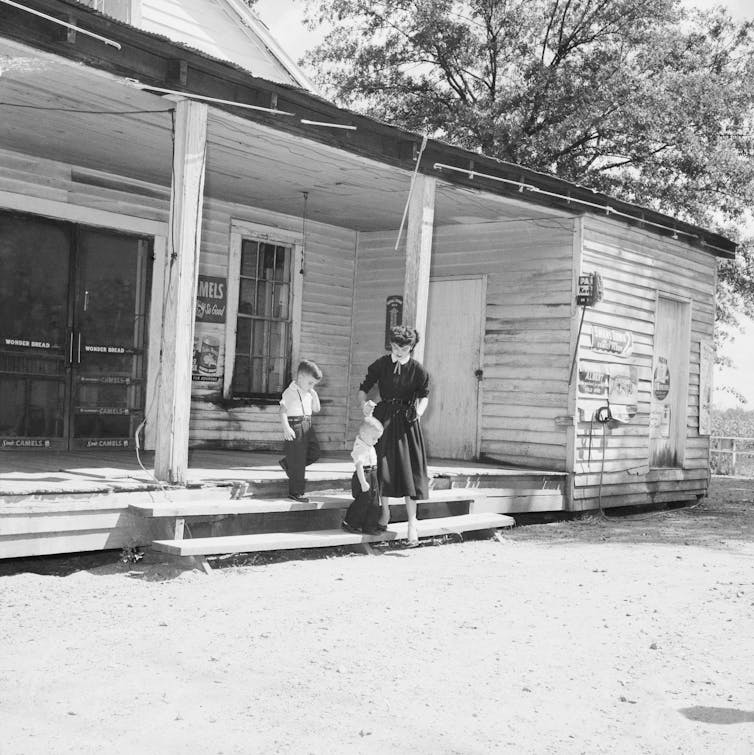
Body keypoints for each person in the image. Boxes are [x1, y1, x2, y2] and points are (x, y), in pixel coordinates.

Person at [357, 325, 430, 546]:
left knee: (409, 471)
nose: (399, 351)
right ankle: (385, 513)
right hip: (383, 420)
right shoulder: (381, 364)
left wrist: (418, 411)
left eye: (404, 347)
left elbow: (424, 396)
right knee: (384, 467)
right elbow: (364, 387)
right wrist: (363, 405)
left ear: (412, 347)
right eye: (396, 346)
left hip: (407, 422)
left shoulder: (418, 370)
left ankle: (412, 523)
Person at [279, 359, 322, 502]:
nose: (312, 386)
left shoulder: (309, 392)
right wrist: (286, 427)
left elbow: (316, 409)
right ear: (301, 377)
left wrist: (314, 395)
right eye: (310, 383)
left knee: (315, 452)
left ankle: (288, 463)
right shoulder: (289, 392)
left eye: (314, 384)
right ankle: (295, 493)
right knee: (298, 461)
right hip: (295, 426)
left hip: (308, 425)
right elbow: (283, 411)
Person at [341, 415, 385, 535]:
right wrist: (363, 482)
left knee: (374, 502)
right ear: (364, 434)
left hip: (372, 473)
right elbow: (359, 466)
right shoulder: (360, 447)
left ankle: (369, 526)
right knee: (363, 501)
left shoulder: (368, 444)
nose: (376, 441)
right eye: (374, 438)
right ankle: (350, 523)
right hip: (364, 476)